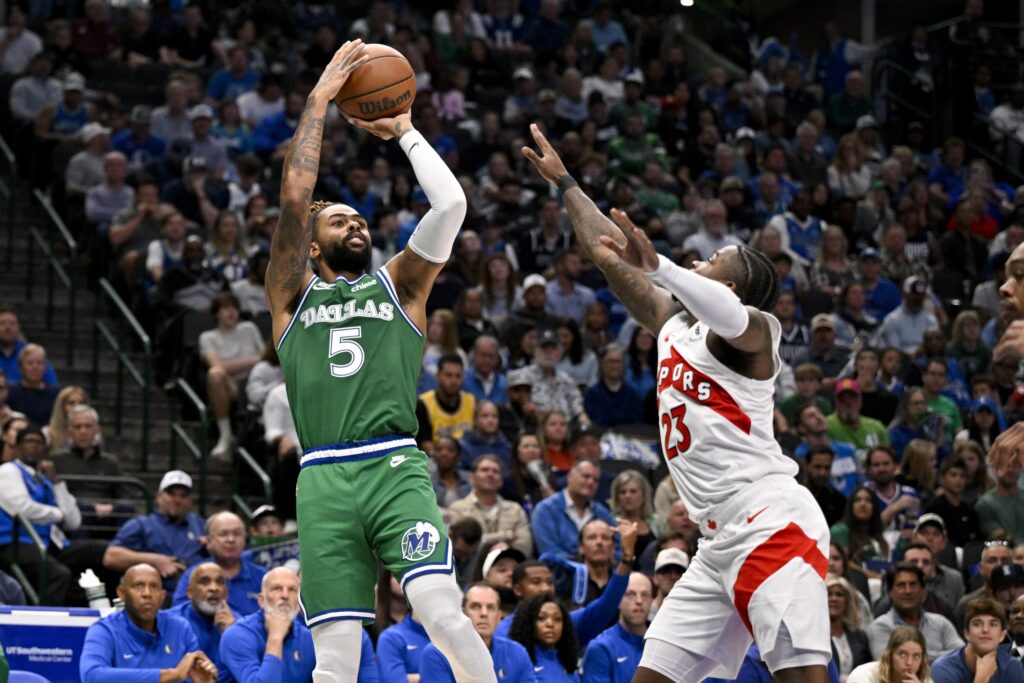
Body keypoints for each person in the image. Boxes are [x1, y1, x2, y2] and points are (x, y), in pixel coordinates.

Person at [524, 122, 831, 683]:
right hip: (715, 542)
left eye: (715, 257)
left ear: (731, 287)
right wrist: (566, 182)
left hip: (771, 523)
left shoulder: (756, 336)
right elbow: (604, 251)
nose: (701, 259)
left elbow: (728, 313)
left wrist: (661, 266)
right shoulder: (671, 323)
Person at [265, 41, 495, 683]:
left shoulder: (401, 285)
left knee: (443, 613)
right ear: (312, 247)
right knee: (335, 658)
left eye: (360, 217)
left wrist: (407, 133)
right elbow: (294, 197)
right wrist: (318, 101)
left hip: (395, 464)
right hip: (324, 478)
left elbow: (451, 208)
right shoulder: (290, 296)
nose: (357, 224)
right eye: (341, 220)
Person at [0, 424, 106, 605]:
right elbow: (21, 508)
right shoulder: (8, 471)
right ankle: (44, 625)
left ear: (45, 450)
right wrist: (58, 514)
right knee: (59, 575)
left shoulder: (45, 478)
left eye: (39, 442)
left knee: (99, 555)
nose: (34, 446)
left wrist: (57, 483)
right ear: (17, 447)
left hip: (47, 544)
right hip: (13, 544)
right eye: (28, 441)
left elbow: (73, 521)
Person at [219, 567, 369, 683]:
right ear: (261, 600)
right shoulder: (237, 636)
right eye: (277, 588)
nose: (285, 595)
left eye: (292, 590)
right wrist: (275, 638)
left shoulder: (308, 639)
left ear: (299, 603)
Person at [80, 563, 218, 683]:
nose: (147, 593)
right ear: (122, 593)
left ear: (162, 596)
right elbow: (92, 676)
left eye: (154, 586)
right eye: (138, 585)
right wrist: (171, 675)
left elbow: (194, 675)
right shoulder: (104, 630)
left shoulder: (180, 628)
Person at [103, 470, 206, 591]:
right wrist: (154, 561)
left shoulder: (199, 524)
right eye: (171, 494)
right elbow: (111, 557)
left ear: (190, 501)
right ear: (159, 497)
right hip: (158, 594)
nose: (177, 500)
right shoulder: (142, 524)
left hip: (198, 592)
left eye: (183, 495)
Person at [419, 583, 536, 682]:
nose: (484, 613)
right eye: (475, 607)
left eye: (491, 608)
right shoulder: (438, 653)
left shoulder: (516, 652)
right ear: (462, 613)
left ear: (499, 616)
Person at [201, 292, 264, 459]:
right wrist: (254, 360)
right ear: (216, 313)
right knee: (215, 374)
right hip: (231, 386)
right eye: (226, 308)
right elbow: (217, 366)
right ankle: (225, 435)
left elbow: (266, 357)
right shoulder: (208, 337)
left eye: (234, 308)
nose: (231, 312)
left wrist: (257, 361)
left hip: (256, 381)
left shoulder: (249, 328)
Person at [171, 511, 267, 615]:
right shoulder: (194, 575)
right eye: (223, 534)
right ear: (208, 541)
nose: (231, 539)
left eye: (237, 534)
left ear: (245, 539)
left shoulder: (263, 577)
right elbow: (178, 617)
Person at [867, 563, 963, 663]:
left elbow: (961, 654)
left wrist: (906, 655)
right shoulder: (881, 627)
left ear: (923, 590)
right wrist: (943, 655)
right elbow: (887, 662)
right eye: (901, 585)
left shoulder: (941, 623)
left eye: (913, 584)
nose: (908, 591)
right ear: (890, 592)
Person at [448, 455, 533, 557]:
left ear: (501, 481)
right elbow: (461, 546)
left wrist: (506, 551)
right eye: (484, 470)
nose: (490, 474)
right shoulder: (457, 508)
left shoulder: (515, 509)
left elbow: (525, 546)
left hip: (508, 566)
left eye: (495, 471)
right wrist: (507, 535)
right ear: (472, 478)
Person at [531, 459, 616, 559]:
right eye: (586, 476)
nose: (591, 482)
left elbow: (617, 548)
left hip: (601, 570)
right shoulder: (545, 510)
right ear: (570, 477)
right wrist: (584, 567)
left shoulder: (603, 514)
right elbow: (550, 553)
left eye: (595, 480)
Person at [165, 562, 238, 677]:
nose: (214, 588)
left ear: (226, 593)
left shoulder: (240, 625)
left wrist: (233, 635)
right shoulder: (167, 623)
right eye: (205, 582)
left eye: (219, 582)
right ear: (190, 593)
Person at [930, 596, 1023, 683]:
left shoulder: (1013, 667)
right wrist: (982, 678)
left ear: (1002, 635)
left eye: (993, 624)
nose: (985, 630)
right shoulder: (944, 668)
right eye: (977, 624)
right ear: (967, 633)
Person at [580, 572, 653, 682]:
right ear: (618, 600)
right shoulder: (601, 647)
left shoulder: (661, 645)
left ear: (652, 601)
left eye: (644, 594)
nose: (639, 601)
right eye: (630, 594)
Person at [508, 593, 581, 682]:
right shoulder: (520, 663)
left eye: (557, 619)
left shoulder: (569, 666)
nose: (550, 624)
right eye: (541, 618)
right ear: (529, 623)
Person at [584, 343, 644, 428]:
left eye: (618, 361)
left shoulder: (632, 393)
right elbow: (596, 422)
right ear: (602, 364)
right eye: (610, 361)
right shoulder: (593, 394)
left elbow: (637, 422)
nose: (615, 366)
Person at [847, 625, 931, 683]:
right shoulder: (863, 676)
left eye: (916, 656)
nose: (909, 662)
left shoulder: (924, 681)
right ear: (890, 655)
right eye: (903, 654)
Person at [827, 575, 872, 680]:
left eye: (839, 594)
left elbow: (868, 671)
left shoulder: (860, 637)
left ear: (847, 601)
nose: (834, 598)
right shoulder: (815, 637)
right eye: (829, 594)